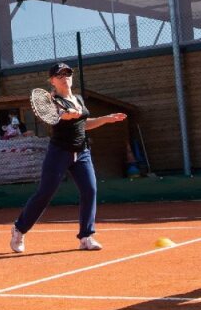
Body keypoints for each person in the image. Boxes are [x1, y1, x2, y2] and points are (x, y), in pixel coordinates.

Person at [10, 62, 127, 253]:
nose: (65, 78)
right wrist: (67, 114)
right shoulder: (52, 100)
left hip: (82, 152)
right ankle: (19, 229)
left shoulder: (78, 98)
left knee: (90, 190)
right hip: (59, 153)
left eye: (68, 73)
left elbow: (83, 124)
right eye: (60, 75)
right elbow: (59, 116)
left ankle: (86, 237)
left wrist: (106, 119)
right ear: (52, 81)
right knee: (45, 193)